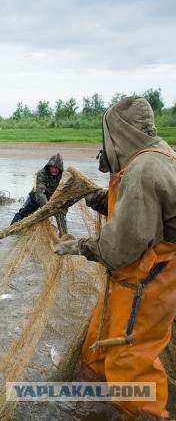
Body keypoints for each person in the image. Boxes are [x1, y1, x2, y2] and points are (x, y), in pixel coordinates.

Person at [54, 96, 176, 418]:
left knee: (128, 360)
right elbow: (139, 211)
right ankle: (90, 408)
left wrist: (80, 246)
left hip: (147, 282)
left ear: (118, 131)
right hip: (130, 282)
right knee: (97, 345)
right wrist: (98, 199)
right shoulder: (156, 156)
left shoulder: (143, 169)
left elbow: (120, 248)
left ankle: (143, 414)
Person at [11, 153, 67, 235]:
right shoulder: (42, 173)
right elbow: (40, 192)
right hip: (37, 196)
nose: (53, 170)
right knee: (23, 212)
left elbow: (64, 191)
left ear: (60, 168)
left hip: (53, 198)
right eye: (52, 167)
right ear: (49, 166)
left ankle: (63, 235)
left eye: (56, 168)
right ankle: (11, 230)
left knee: (61, 215)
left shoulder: (63, 176)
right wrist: (45, 208)